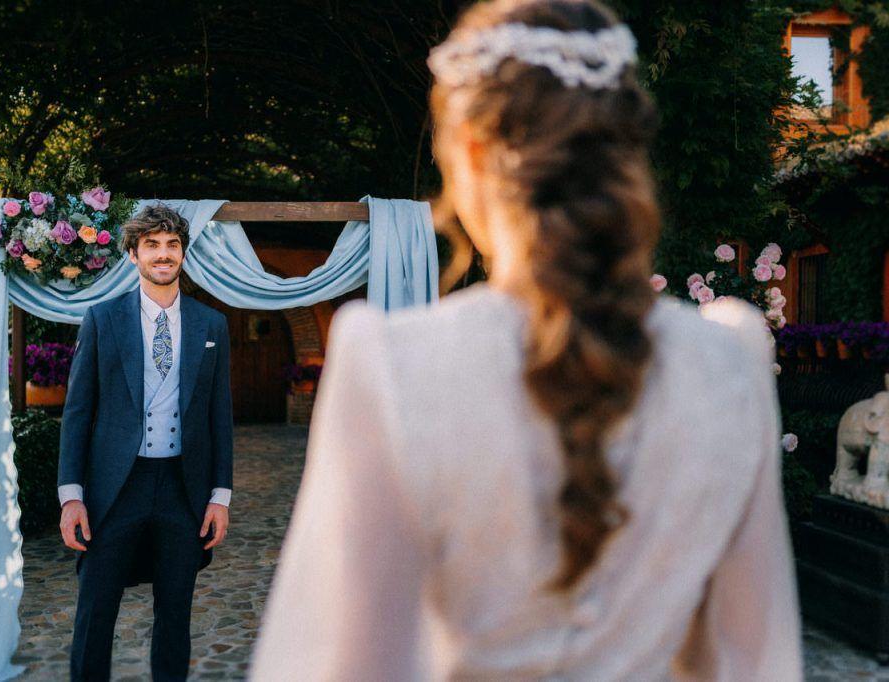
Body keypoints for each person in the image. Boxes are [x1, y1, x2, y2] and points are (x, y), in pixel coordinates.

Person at [251, 1, 802, 679]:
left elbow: (349, 665)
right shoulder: (730, 361)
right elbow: (756, 659)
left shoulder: (391, 364)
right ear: (622, 152)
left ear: (472, 152)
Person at [57, 204, 234, 681]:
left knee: (176, 616)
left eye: (172, 244)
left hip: (182, 490)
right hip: (116, 489)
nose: (163, 253)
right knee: (96, 612)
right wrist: (71, 497)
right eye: (152, 244)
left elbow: (221, 417)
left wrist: (220, 496)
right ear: (133, 254)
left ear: (182, 254)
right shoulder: (102, 319)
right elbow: (77, 412)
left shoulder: (210, 325)